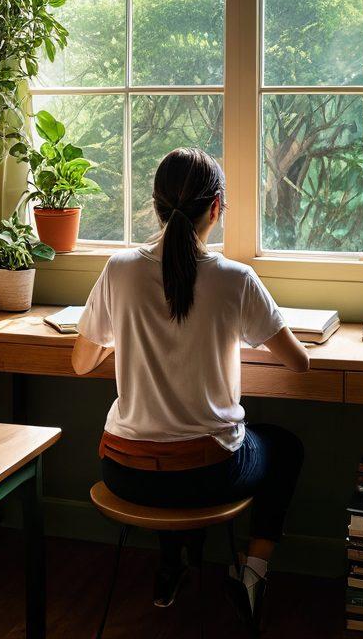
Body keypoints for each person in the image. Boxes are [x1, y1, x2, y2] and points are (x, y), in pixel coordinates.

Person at [72, 147, 309, 628]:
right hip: (207, 476)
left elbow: (81, 363)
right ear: (216, 208)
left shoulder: (119, 269)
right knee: (283, 446)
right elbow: (298, 363)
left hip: (125, 470)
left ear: (156, 205)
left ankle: (174, 565)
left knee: (167, 438)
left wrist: (126, 335)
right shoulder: (235, 278)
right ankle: (254, 573)